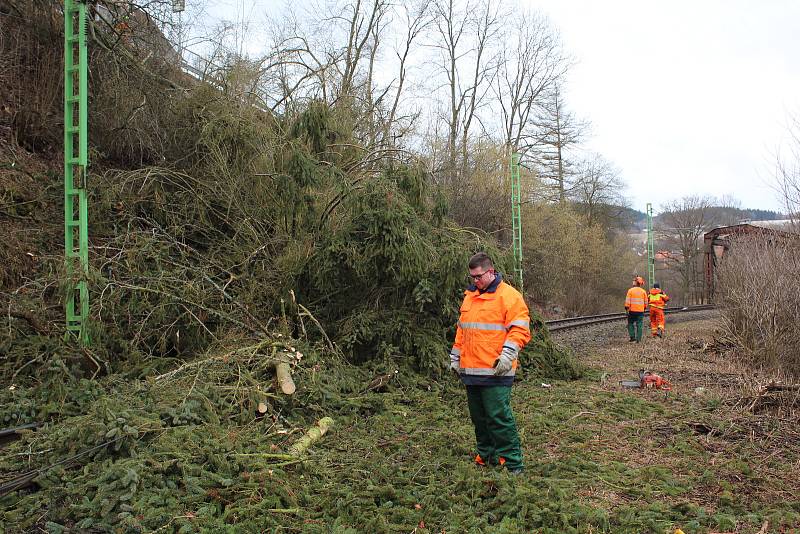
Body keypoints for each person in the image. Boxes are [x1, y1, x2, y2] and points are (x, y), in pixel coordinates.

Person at [449, 252, 531, 475]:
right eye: (472, 277)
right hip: (471, 370)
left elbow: (520, 330)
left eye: (478, 277)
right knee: (479, 418)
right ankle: (486, 456)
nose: (475, 281)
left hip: (496, 371)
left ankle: (513, 463)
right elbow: (462, 330)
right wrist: (455, 357)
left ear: (491, 272)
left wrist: (507, 357)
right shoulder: (470, 297)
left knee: (499, 417)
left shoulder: (509, 297)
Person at [624, 276, 648, 342]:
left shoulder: (630, 291)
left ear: (636, 282)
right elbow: (646, 303)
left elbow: (627, 301)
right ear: (640, 283)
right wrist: (644, 308)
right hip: (640, 311)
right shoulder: (643, 292)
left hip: (632, 311)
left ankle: (632, 337)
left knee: (630, 323)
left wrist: (626, 308)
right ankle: (638, 339)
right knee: (639, 325)